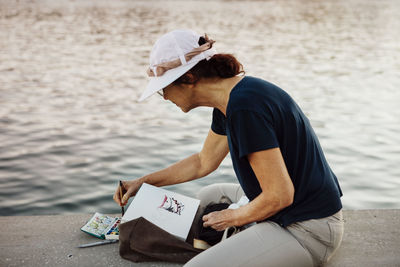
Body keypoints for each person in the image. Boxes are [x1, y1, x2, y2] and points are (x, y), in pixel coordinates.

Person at [113, 29, 344, 267]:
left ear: (189, 78)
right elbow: (204, 161)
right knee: (208, 196)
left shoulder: (245, 109)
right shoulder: (232, 99)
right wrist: (143, 182)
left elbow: (279, 195)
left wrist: (232, 216)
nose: (164, 97)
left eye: (164, 88)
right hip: (295, 208)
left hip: (307, 229)